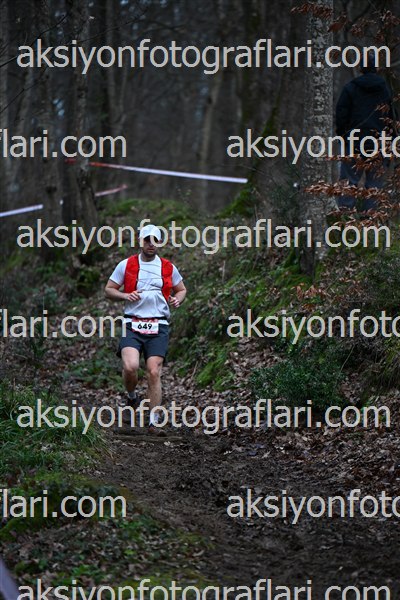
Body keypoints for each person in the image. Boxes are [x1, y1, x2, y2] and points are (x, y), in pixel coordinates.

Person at [105, 223, 187, 435]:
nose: (151, 244)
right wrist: (125, 295)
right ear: (140, 241)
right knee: (130, 366)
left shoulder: (168, 267)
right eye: (147, 239)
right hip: (133, 323)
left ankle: (154, 421)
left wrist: (177, 300)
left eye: (155, 240)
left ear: (159, 243)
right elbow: (109, 289)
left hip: (158, 324)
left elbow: (181, 289)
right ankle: (132, 397)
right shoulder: (126, 264)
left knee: (153, 371)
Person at [336, 53, 393, 211]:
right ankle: (370, 219)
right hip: (378, 142)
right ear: (376, 68)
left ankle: (345, 217)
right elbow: (392, 118)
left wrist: (343, 136)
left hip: (354, 142)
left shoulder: (350, 88)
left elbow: (341, 115)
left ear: (361, 68)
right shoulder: (385, 90)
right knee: (374, 185)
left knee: (349, 181)